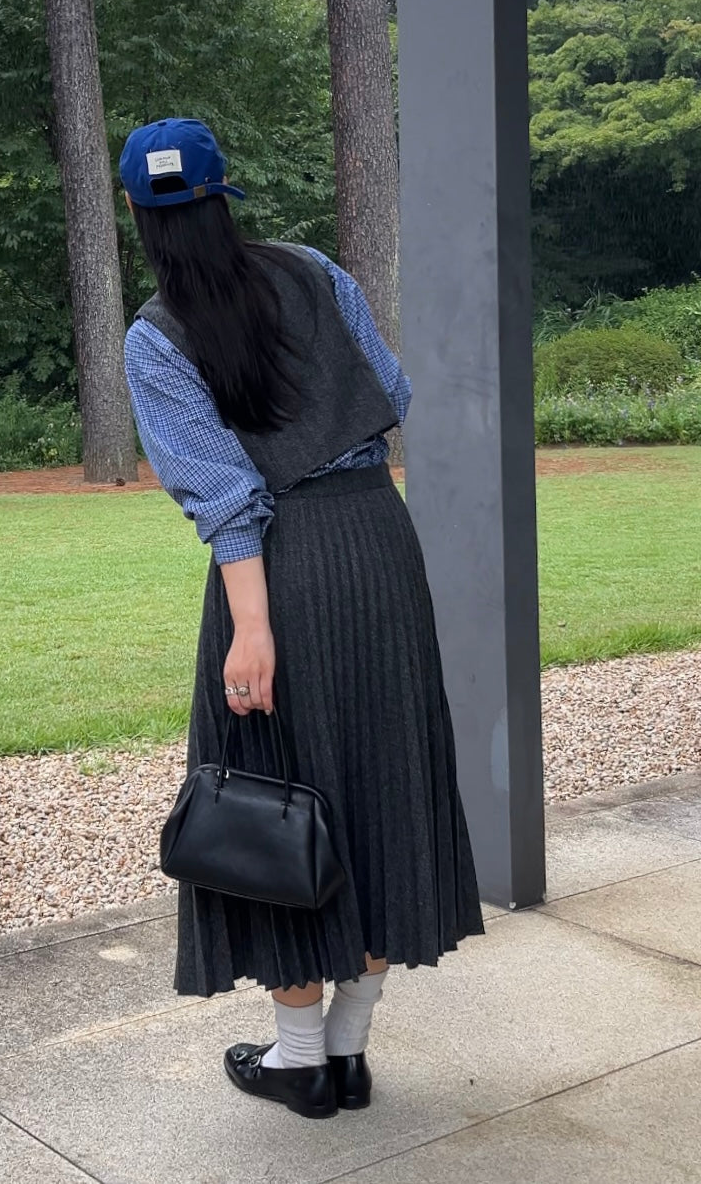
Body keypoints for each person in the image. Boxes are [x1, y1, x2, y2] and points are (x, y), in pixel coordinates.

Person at [120, 118, 483, 1121]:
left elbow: (226, 494)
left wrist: (252, 627)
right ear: (221, 192)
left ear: (137, 214)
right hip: (376, 545)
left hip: (277, 569)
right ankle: (346, 1054)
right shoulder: (314, 271)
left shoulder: (156, 337)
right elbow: (391, 390)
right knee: (381, 784)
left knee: (272, 795)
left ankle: (300, 1060)